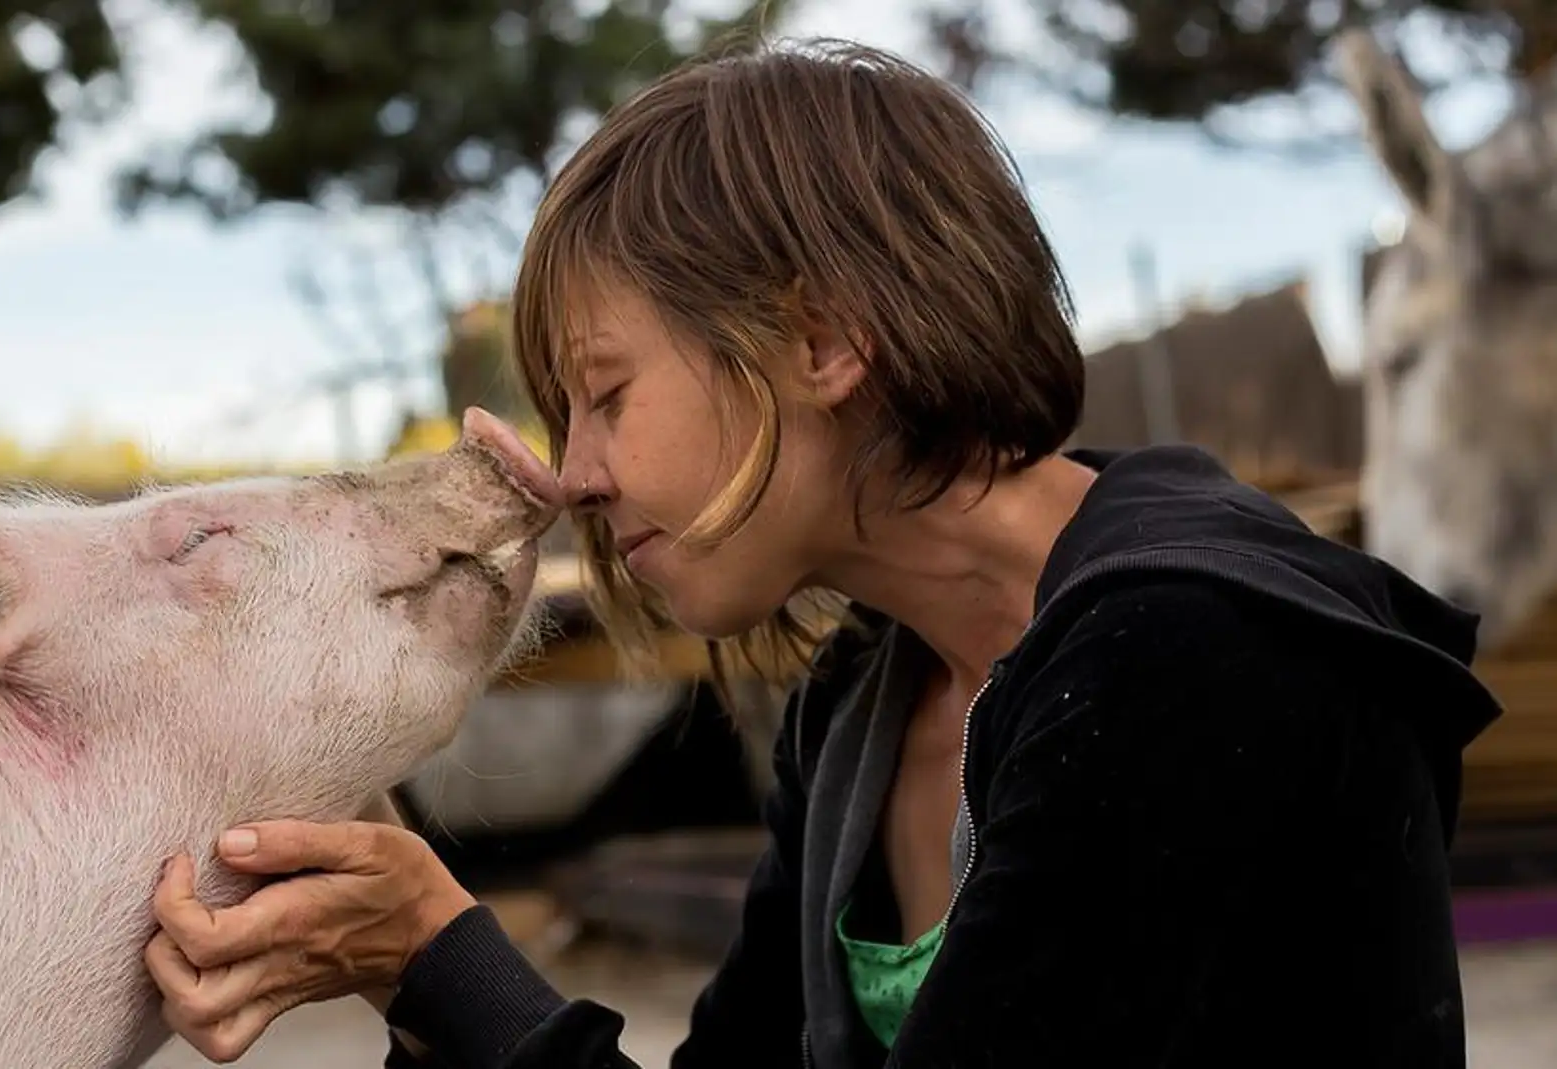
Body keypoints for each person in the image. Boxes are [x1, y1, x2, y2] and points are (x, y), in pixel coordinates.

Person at [141, 36, 1501, 1069]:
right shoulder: (865, 706)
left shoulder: (1195, 664)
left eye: (607, 394)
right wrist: (407, 959)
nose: (579, 475)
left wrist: (438, 958)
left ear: (822, 342)